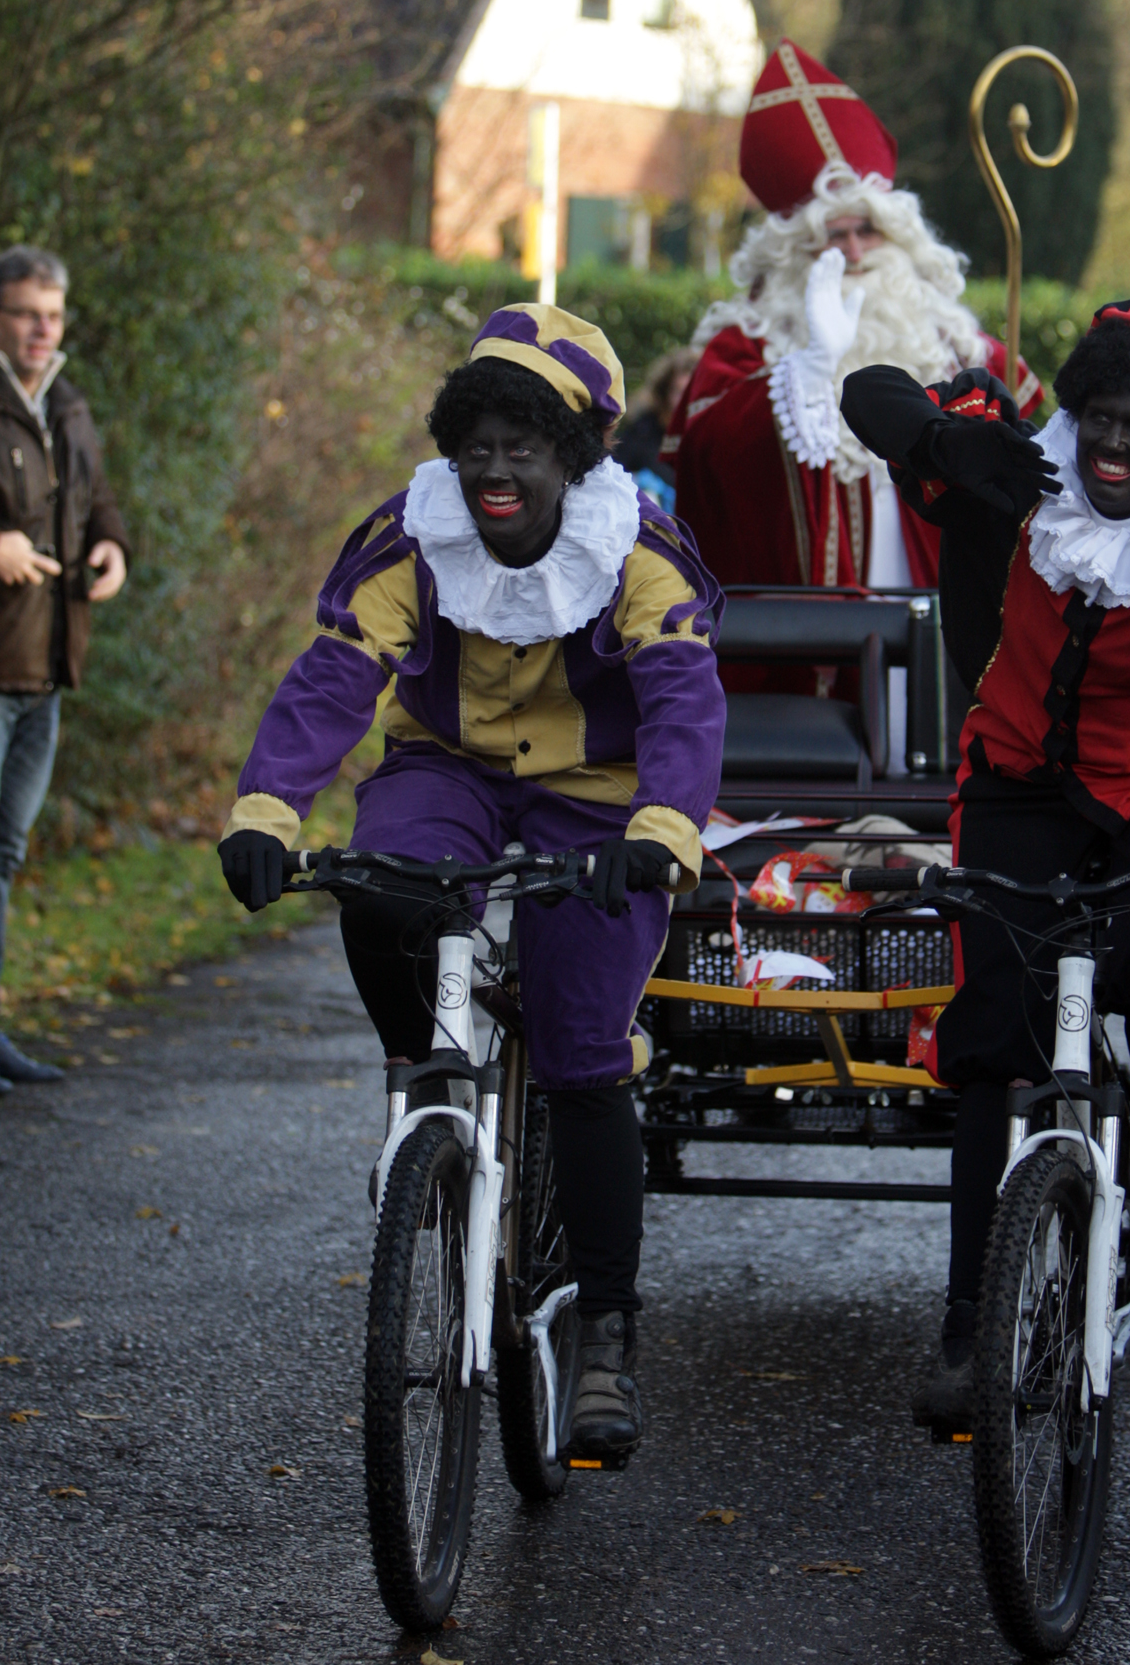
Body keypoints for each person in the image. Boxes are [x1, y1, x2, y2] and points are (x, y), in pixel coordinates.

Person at [218, 305, 725, 1459]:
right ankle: (421, 1079)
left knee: (587, 1050)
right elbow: (335, 676)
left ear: (574, 457)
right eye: (476, 445)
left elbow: (684, 698)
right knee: (382, 883)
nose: (495, 470)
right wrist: (266, 810)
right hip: (445, 770)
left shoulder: (638, 548)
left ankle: (604, 1332)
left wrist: (661, 831)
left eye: (523, 447)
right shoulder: (412, 534)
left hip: (599, 798)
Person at [841, 296, 1130, 1427]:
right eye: (1098, 416)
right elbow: (869, 394)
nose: (1110, 443)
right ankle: (969, 1326)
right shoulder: (1019, 482)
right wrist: (946, 441)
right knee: (993, 1037)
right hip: (1019, 782)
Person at [668, 39, 1042, 603]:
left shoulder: (965, 350)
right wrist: (807, 371)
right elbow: (708, 459)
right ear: (791, 253)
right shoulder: (744, 346)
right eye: (832, 236)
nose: (855, 253)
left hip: (946, 614)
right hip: (810, 634)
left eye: (867, 230)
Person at [0, 246, 130, 1096]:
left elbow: (97, 497)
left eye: (54, 314)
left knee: (1, 855)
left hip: (47, 664)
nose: (44, 329)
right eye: (27, 313)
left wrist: (112, 546)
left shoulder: (65, 403)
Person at [610, 347, 697, 511]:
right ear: (664, 393)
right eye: (678, 392)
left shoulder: (703, 441)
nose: (685, 402)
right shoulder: (641, 433)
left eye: (692, 393)